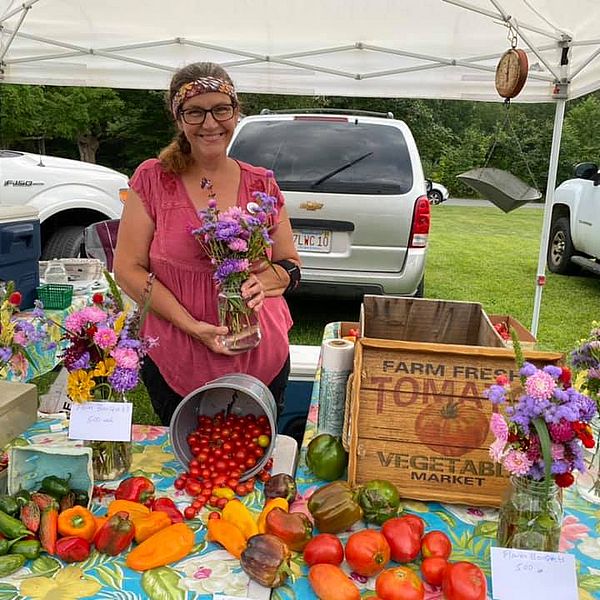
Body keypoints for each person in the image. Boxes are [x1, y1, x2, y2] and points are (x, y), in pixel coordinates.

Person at [114, 62, 301, 426]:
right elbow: (127, 270)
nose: (211, 123)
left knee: (254, 461)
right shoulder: (153, 179)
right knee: (188, 463)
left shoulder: (262, 184)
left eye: (221, 109)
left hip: (260, 353)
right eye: (195, 112)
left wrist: (263, 283)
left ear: (236, 111)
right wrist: (191, 325)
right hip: (177, 353)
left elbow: (290, 264)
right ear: (179, 119)